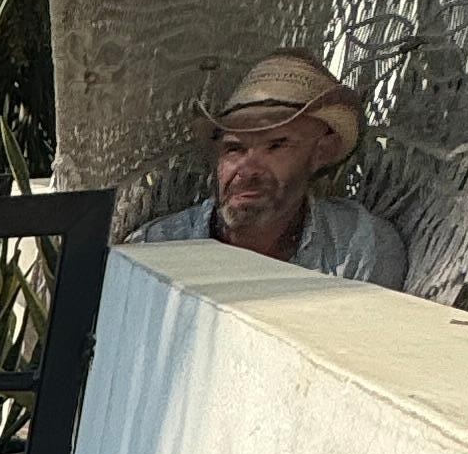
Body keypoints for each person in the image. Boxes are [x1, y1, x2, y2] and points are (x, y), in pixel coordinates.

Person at [137, 50, 408, 282]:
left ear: (320, 153)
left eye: (276, 146)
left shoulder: (357, 247)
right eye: (234, 148)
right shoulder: (155, 249)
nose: (249, 169)